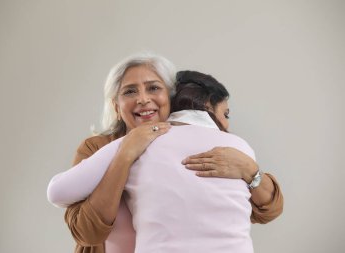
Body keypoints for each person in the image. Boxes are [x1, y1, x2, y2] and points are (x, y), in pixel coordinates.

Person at [47, 54, 283, 253]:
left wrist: (250, 171)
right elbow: (87, 233)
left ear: (170, 98)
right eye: (130, 91)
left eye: (153, 88)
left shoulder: (202, 145)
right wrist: (126, 154)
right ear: (116, 106)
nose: (143, 99)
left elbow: (267, 211)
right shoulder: (97, 148)